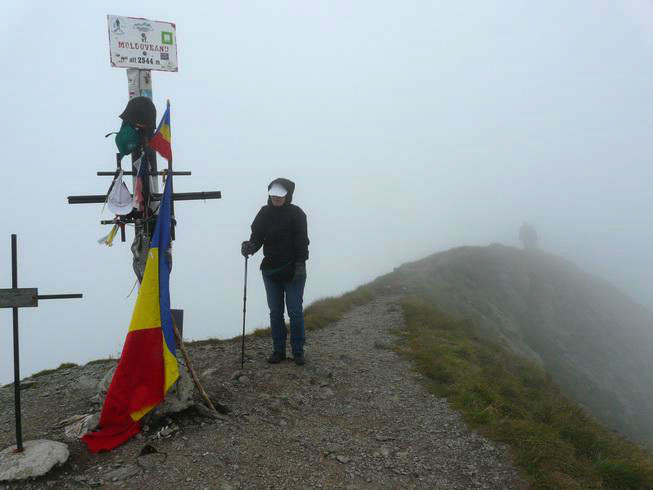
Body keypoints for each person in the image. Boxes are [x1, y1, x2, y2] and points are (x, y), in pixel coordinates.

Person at [241, 178, 309, 365]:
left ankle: (297, 351)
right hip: (270, 271)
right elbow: (257, 237)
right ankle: (278, 351)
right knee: (275, 312)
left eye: (280, 196)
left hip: (294, 270)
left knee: (295, 312)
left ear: (287, 196)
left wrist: (300, 265)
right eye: (273, 196)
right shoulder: (264, 213)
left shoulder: (297, 214)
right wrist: (250, 246)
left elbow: (302, 241)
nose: (276, 199)